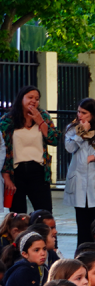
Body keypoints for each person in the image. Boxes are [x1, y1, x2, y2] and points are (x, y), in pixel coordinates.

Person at [1, 85, 60, 214]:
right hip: (16, 173)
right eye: (30, 97)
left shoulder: (43, 116)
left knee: (44, 214)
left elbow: (54, 140)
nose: (34, 101)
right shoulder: (7, 120)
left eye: (37, 98)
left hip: (38, 171)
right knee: (18, 215)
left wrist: (40, 121)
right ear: (21, 98)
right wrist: (6, 176)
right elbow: (3, 150)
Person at [63, 98, 95, 246]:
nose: (80, 115)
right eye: (79, 112)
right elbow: (70, 148)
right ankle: (82, 256)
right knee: (83, 226)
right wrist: (81, 133)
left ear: (93, 114)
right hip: (79, 182)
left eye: (84, 113)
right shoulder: (72, 129)